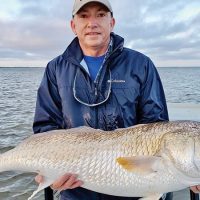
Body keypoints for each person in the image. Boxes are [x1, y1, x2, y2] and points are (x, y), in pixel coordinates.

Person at [33, 0, 200, 199]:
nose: (92, 23)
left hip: (133, 187)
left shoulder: (141, 65)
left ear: (112, 23)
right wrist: (51, 169)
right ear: (73, 25)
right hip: (75, 188)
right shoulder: (56, 69)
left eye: (101, 15)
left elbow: (156, 125)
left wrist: (186, 174)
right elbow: (46, 128)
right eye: (84, 16)